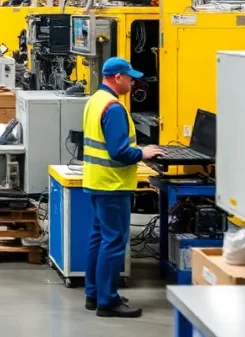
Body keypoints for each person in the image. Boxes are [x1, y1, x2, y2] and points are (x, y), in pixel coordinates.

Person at [82, 57, 164, 318]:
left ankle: (93, 294)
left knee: (99, 239)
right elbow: (119, 152)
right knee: (114, 241)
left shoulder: (95, 100)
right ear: (117, 78)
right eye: (130, 78)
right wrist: (144, 153)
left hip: (96, 181)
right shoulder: (114, 107)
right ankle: (108, 301)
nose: (133, 82)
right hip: (112, 184)